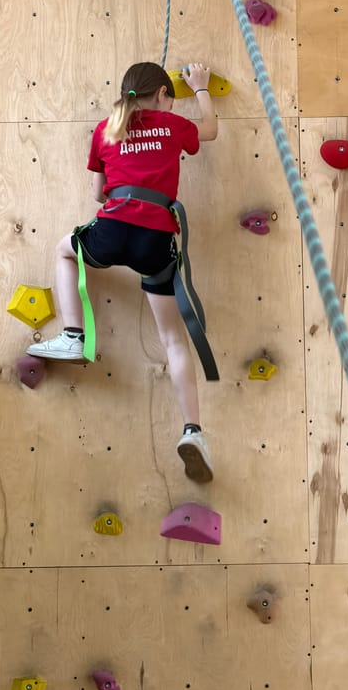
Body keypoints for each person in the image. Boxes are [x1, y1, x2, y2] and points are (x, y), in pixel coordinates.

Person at [26, 61, 218, 483]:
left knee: (64, 251)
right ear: (164, 95)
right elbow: (209, 129)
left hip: (114, 228)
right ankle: (193, 431)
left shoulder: (106, 128)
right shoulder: (170, 123)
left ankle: (74, 335)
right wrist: (201, 87)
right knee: (172, 339)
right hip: (156, 239)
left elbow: (98, 194)